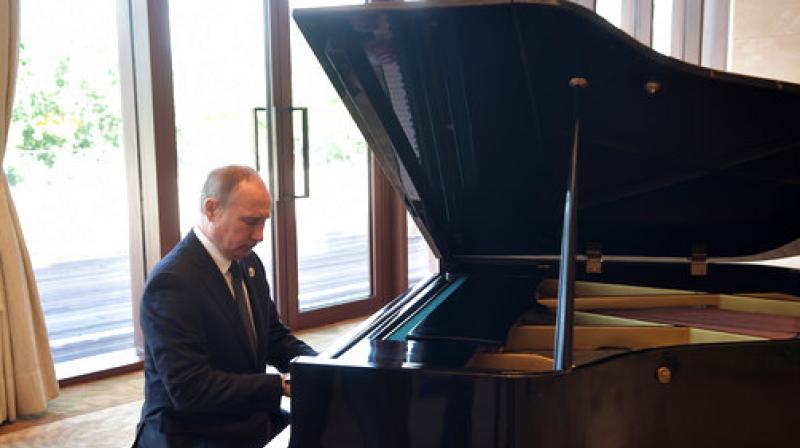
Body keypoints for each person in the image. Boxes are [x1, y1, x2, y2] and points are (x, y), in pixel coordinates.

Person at [134, 165, 317, 448]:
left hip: (246, 418)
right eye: (250, 222)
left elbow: (273, 337)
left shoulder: (247, 262)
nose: (260, 235)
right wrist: (279, 384)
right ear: (211, 210)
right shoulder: (172, 283)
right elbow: (191, 390)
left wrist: (322, 367)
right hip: (192, 433)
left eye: (264, 222)